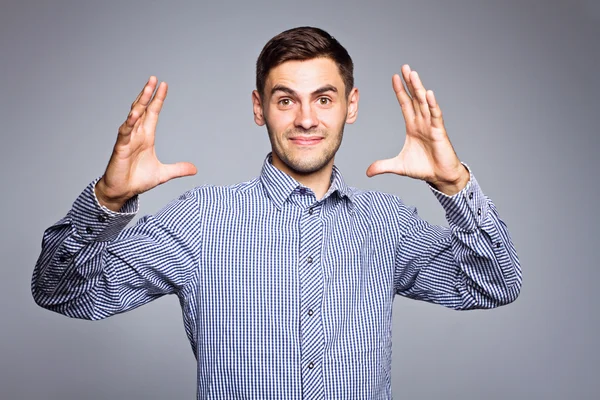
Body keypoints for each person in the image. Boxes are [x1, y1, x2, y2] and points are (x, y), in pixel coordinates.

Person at [32, 26, 521, 399]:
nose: (306, 118)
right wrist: (108, 200)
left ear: (350, 106)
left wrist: (455, 184)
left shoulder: (387, 224)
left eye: (323, 99)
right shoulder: (202, 220)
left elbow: (495, 285)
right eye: (285, 100)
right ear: (258, 108)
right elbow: (59, 291)